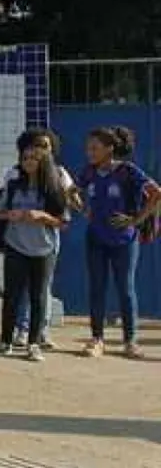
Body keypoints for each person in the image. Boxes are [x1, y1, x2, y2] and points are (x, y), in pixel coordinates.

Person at [78, 126, 158, 359]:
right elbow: (71, 191)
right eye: (87, 148)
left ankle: (130, 342)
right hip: (95, 238)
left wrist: (135, 219)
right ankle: (97, 339)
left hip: (124, 240)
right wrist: (84, 210)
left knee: (126, 289)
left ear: (110, 148)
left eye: (95, 148)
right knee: (97, 289)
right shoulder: (89, 172)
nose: (89, 152)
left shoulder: (127, 171)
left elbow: (156, 193)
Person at [0, 147, 69, 362]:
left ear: (44, 162)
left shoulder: (53, 189)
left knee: (39, 296)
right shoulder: (13, 186)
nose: (29, 162)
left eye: (34, 158)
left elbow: (63, 222)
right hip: (16, 245)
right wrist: (10, 214)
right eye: (25, 158)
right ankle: (5, 340)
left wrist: (43, 216)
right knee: (12, 295)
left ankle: (34, 343)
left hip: (44, 248)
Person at [5, 128, 79, 348]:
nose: (43, 150)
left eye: (46, 146)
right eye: (38, 146)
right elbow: (2, 202)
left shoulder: (60, 173)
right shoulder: (15, 173)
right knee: (22, 286)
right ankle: (22, 327)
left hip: (47, 238)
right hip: (19, 238)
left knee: (42, 287)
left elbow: (72, 203)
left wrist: (70, 199)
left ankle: (41, 331)